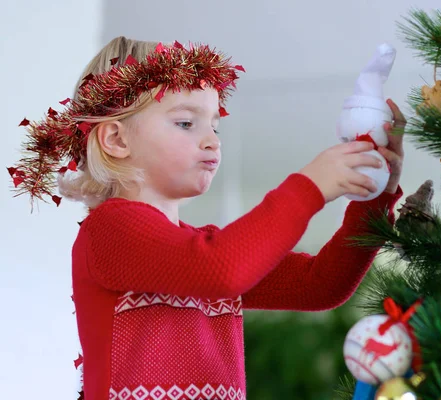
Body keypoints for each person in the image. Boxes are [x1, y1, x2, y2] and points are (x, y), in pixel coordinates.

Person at [8, 36, 407, 400]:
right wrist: (309, 186)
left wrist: (376, 196)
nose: (212, 140)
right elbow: (220, 269)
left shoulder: (207, 251)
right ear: (116, 139)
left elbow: (321, 285)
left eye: (215, 125)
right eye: (186, 123)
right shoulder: (111, 231)